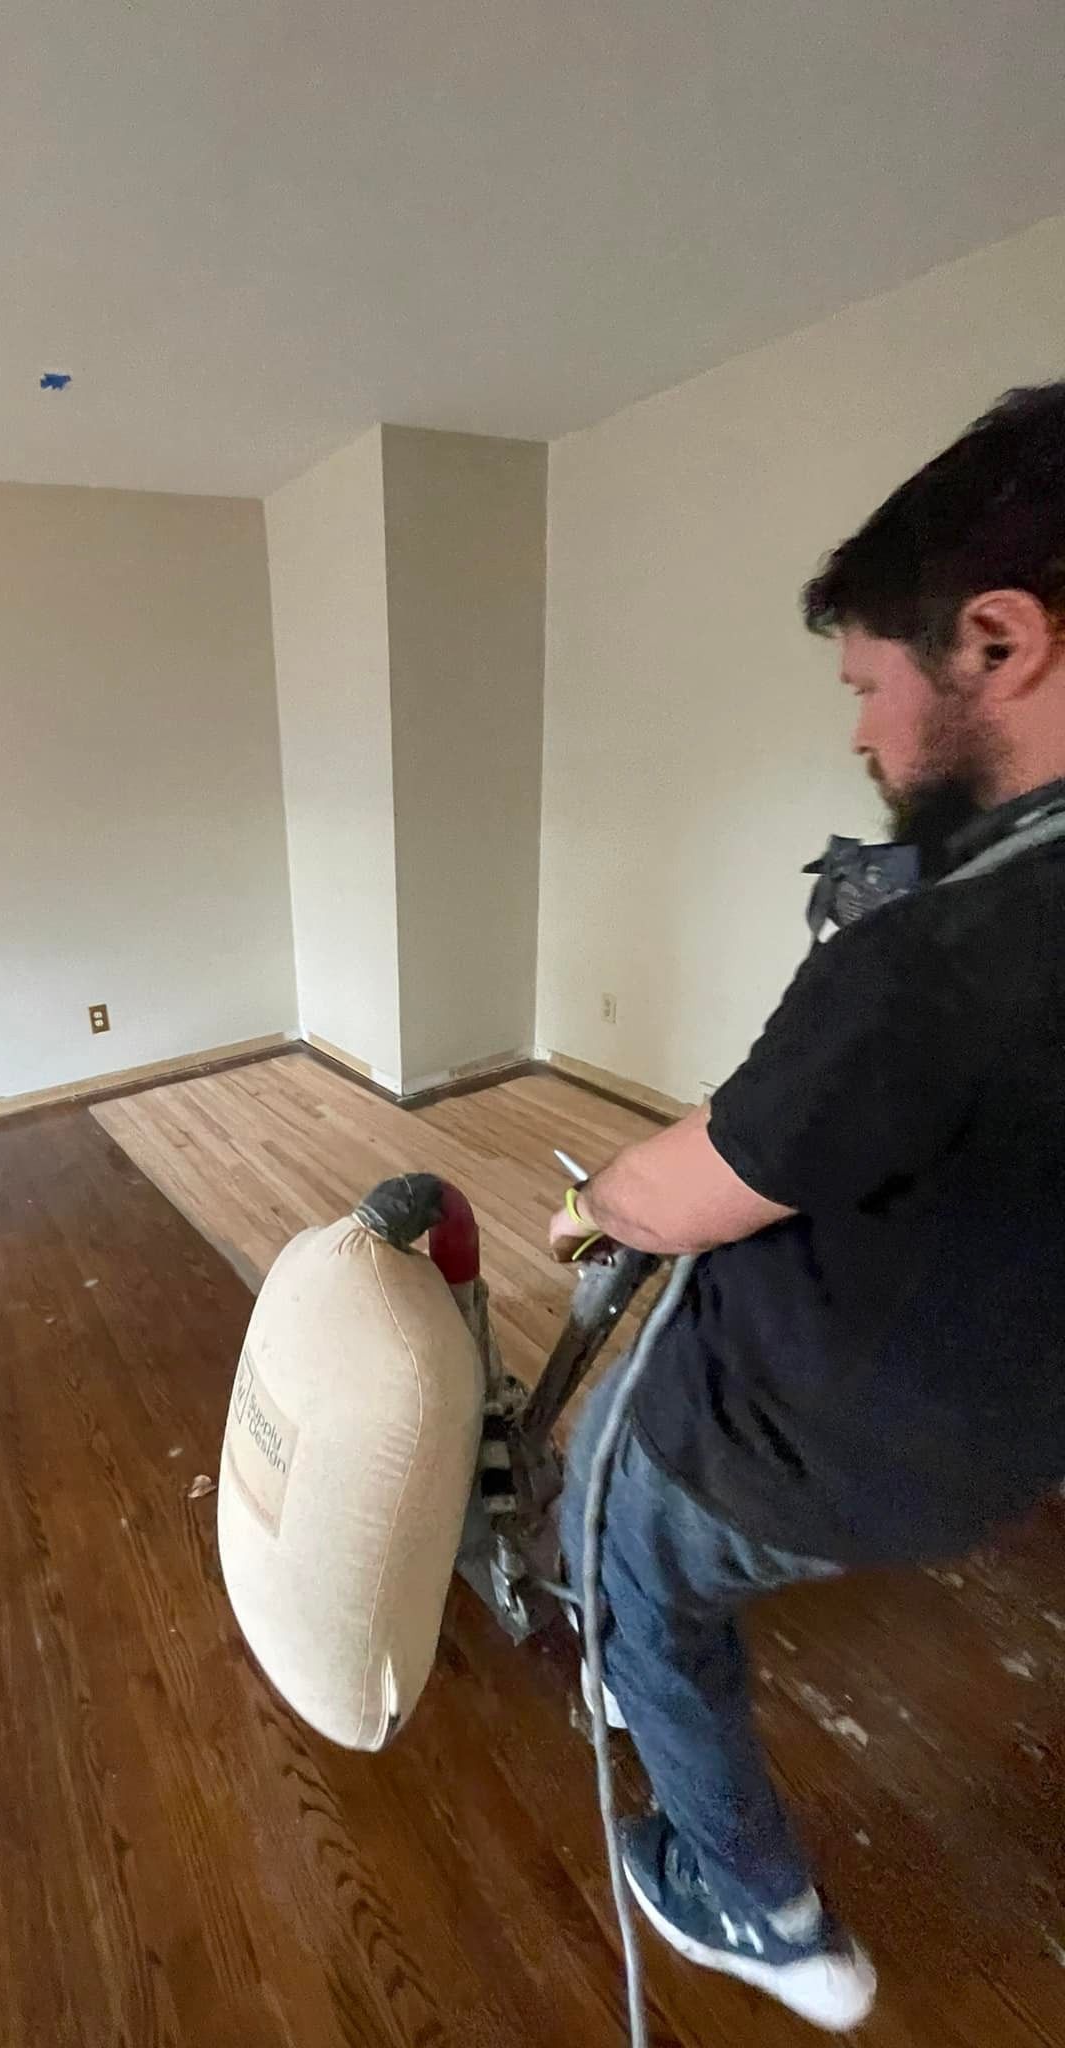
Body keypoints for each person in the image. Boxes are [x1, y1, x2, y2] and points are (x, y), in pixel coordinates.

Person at [549, 382, 1065, 2032]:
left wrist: (597, 1208)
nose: (858, 731)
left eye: (867, 685)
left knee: (622, 1557)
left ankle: (751, 1905)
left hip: (812, 1443)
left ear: (997, 641)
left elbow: (689, 1193)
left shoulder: (938, 962)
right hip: (1004, 1436)